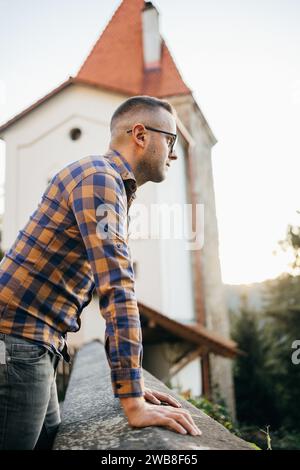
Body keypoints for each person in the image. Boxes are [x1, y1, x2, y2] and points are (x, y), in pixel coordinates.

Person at [0, 95, 201, 450]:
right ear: (141, 134)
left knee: (49, 440)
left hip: (35, 340)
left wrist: (134, 383)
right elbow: (117, 284)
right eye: (169, 140)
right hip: (18, 341)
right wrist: (132, 399)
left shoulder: (104, 180)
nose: (172, 153)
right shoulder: (99, 179)